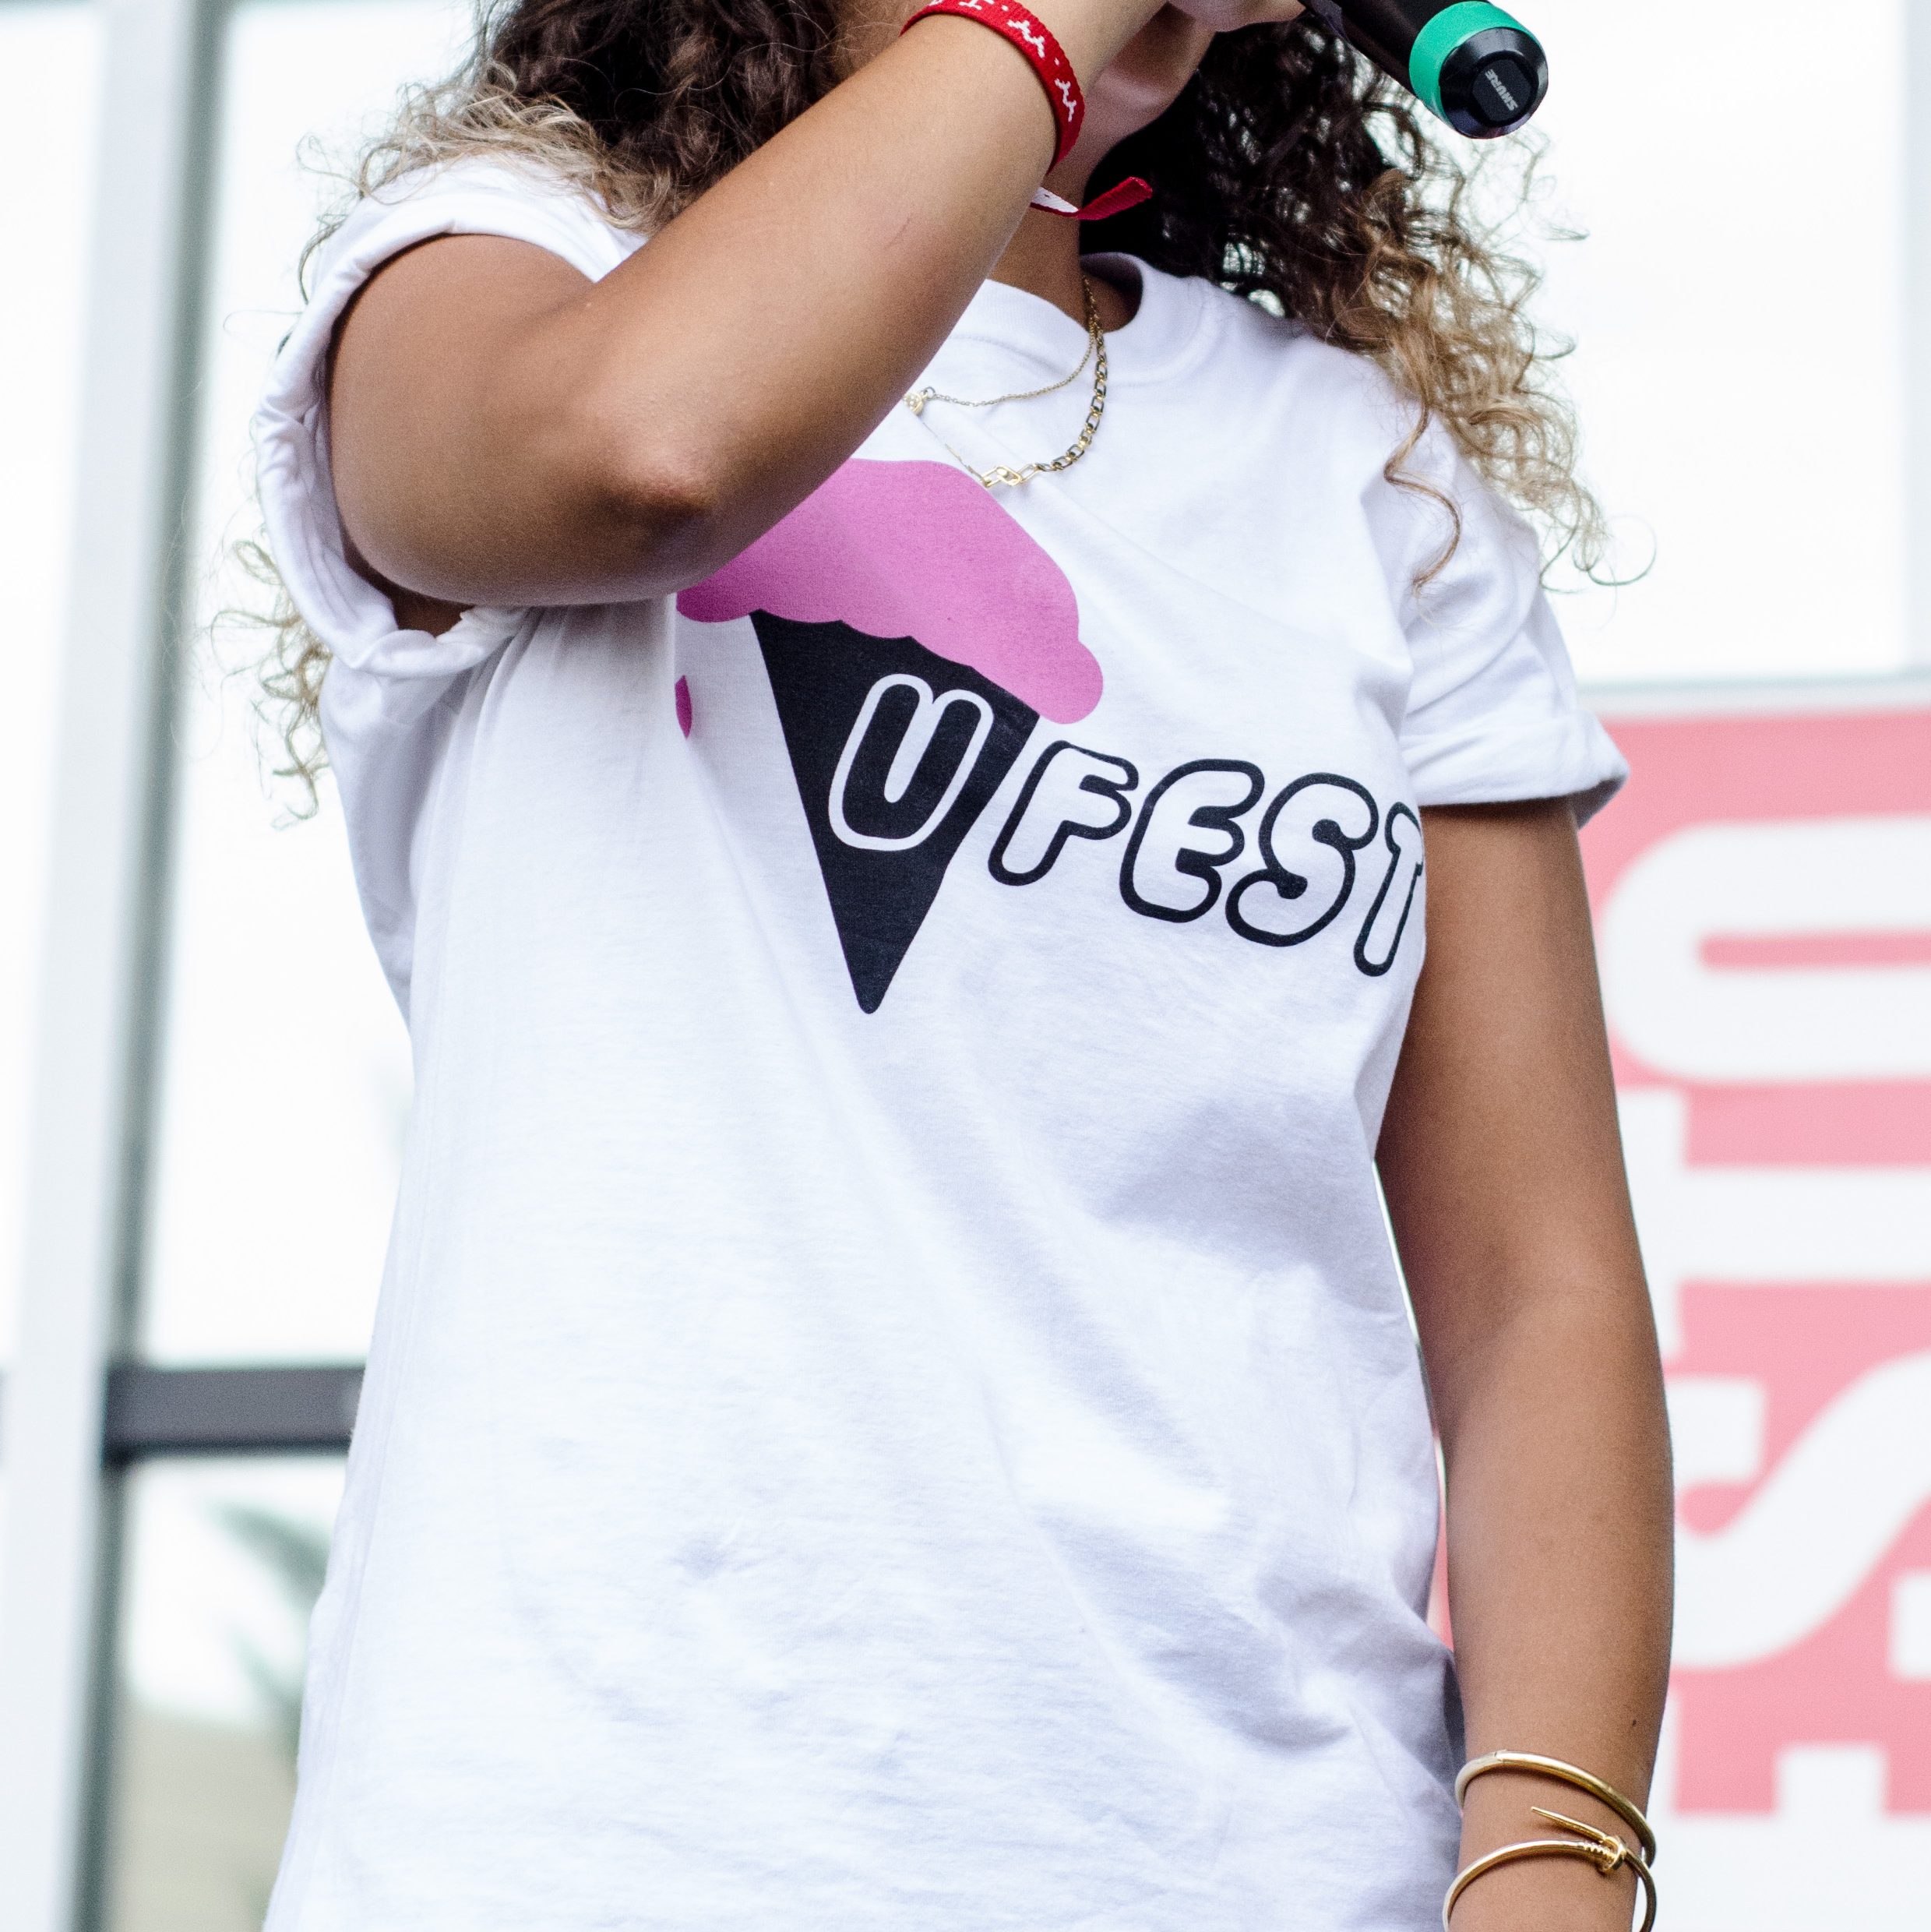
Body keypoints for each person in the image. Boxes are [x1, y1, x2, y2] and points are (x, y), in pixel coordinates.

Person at [252, 0, 1674, 1925]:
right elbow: (647, 449)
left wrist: (1550, 1853)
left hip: (1269, 1864)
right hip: (614, 1839)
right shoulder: (516, 265)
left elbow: (1530, 1292)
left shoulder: (1368, 473)